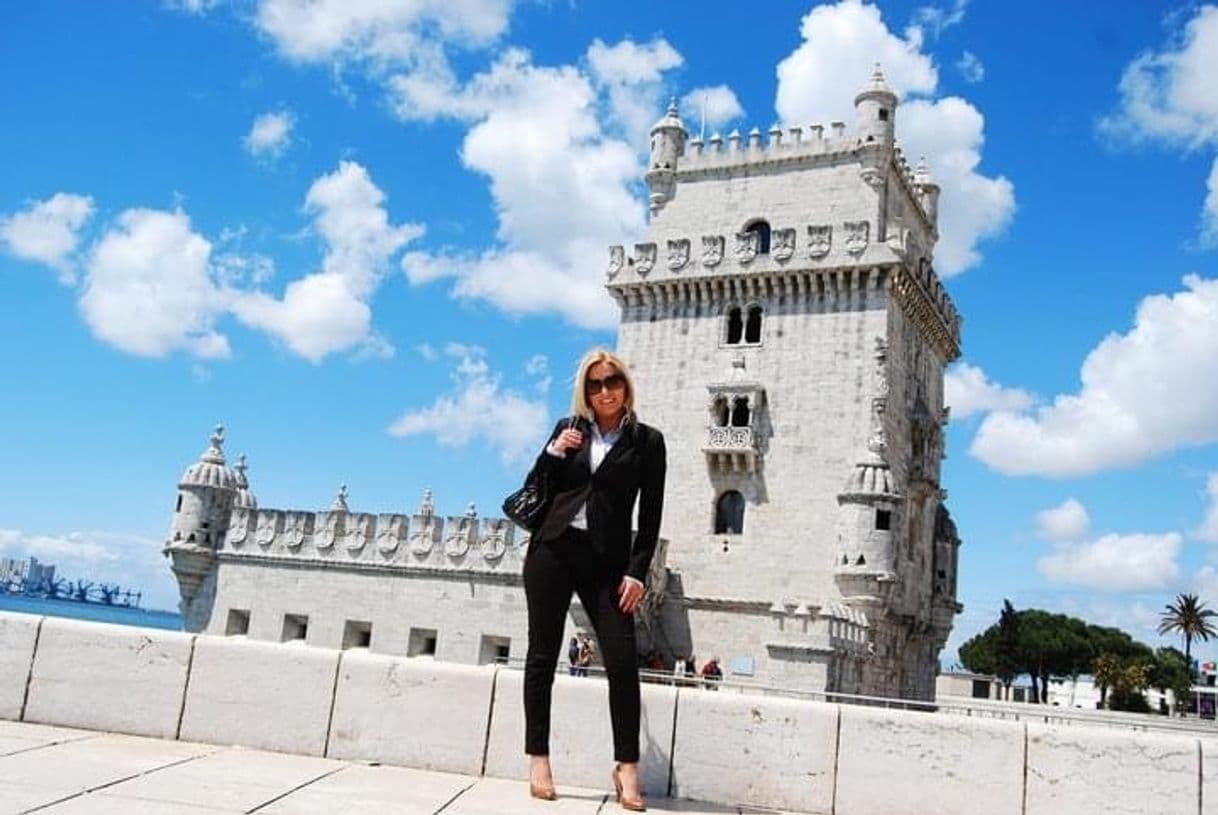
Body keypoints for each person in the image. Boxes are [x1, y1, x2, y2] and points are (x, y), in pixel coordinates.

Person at [520, 348, 666, 811]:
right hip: (552, 549)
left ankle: (627, 768)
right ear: (585, 391)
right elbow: (535, 485)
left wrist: (637, 572)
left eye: (612, 381)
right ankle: (538, 758)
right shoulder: (569, 430)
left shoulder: (647, 442)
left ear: (625, 385)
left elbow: (652, 514)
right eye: (595, 384)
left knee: (622, 663)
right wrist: (552, 452)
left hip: (607, 562)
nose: (605, 391)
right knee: (542, 655)